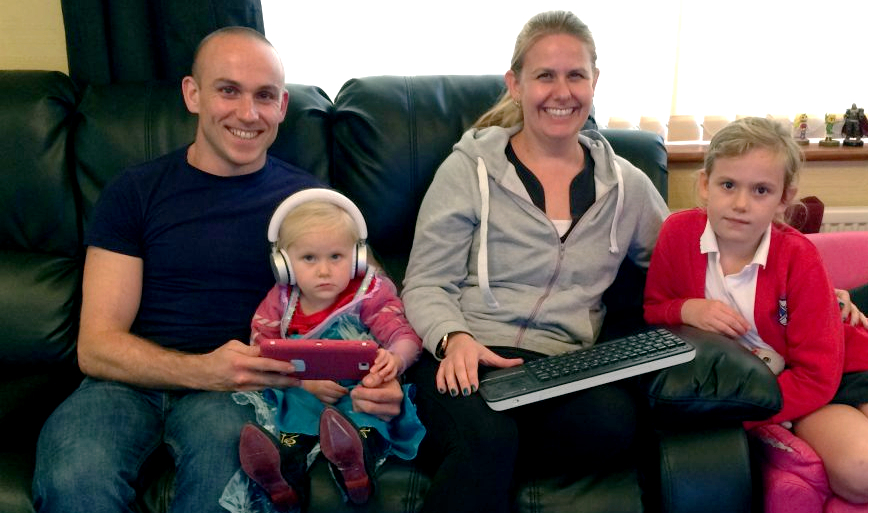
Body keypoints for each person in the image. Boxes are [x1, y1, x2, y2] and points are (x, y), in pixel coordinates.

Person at [31, 27, 403, 512]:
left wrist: (382, 371)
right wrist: (202, 370)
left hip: (242, 393)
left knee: (226, 486)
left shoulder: (310, 204)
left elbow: (376, 299)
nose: (248, 114)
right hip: (123, 386)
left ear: (283, 107)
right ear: (192, 93)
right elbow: (97, 345)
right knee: (74, 478)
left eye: (264, 96)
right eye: (228, 90)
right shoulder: (134, 192)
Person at [401, 11, 670, 512]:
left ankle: (456, 443)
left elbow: (681, 262)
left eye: (576, 75)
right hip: (465, 357)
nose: (561, 91)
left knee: (613, 425)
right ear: (516, 84)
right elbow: (423, 283)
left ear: (595, 82)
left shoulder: (627, 185)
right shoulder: (467, 169)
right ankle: (472, 440)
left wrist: (793, 288)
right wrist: (452, 337)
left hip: (559, 368)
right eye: (545, 75)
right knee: (487, 439)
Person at [643, 116, 868, 504]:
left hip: (841, 373)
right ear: (704, 184)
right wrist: (686, 309)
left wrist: (740, 415)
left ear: (784, 198)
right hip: (779, 385)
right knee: (858, 471)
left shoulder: (799, 256)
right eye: (728, 185)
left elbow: (818, 377)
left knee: (862, 473)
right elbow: (652, 309)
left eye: (761, 190)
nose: (741, 203)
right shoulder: (677, 234)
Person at [234, 189, 424, 511]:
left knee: (370, 404)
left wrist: (395, 358)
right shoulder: (280, 301)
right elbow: (260, 349)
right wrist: (301, 381)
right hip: (303, 388)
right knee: (289, 406)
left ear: (357, 258)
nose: (324, 271)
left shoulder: (369, 295)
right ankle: (285, 471)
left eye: (336, 257)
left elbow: (403, 335)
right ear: (284, 264)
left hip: (358, 388)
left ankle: (357, 457)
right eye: (309, 258)